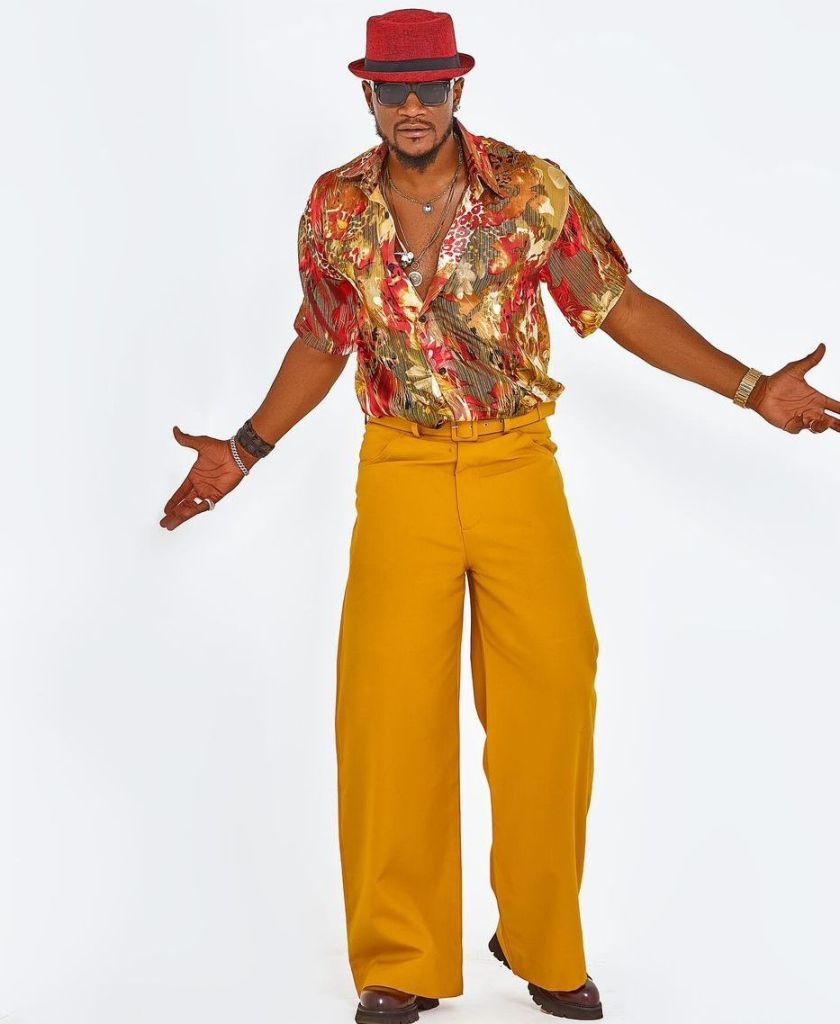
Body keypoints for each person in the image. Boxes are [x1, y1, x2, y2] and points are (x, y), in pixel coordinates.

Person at [159, 8, 840, 1022]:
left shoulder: (530, 189)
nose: (412, 105)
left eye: (429, 86)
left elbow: (619, 305)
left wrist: (750, 389)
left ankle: (541, 938)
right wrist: (245, 451)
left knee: (554, 696)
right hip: (400, 469)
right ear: (369, 95)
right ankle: (401, 959)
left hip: (516, 463)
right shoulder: (336, 207)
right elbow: (323, 337)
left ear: (457, 88)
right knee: (389, 715)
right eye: (394, 89)